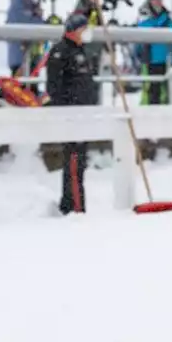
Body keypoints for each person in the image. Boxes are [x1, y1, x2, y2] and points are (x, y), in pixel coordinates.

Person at [46, 13, 100, 214]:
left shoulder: (82, 51)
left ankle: (74, 204)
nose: (87, 33)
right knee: (74, 161)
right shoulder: (61, 52)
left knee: (79, 162)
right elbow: (55, 87)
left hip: (84, 114)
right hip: (72, 116)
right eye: (84, 29)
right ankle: (74, 206)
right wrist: (68, 108)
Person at [137, 0, 172, 105]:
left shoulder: (167, 18)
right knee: (150, 88)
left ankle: (162, 111)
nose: (158, 2)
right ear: (150, 0)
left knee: (165, 88)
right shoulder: (144, 16)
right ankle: (148, 110)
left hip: (165, 59)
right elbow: (141, 33)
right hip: (150, 59)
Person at [6, 0, 45, 76]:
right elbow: (30, 24)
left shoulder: (28, 4)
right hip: (20, 57)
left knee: (31, 87)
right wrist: (38, 15)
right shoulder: (18, 5)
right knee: (19, 88)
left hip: (31, 55)